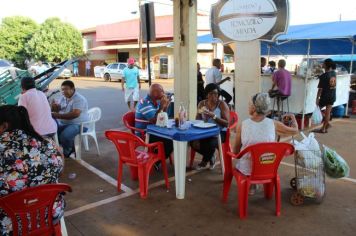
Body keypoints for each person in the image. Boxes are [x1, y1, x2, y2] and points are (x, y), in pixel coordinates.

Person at [0, 105, 64, 236]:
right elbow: (60, 168)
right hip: (50, 214)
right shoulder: (48, 143)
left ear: (4, 126)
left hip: (11, 225)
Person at [233, 93, 298, 194]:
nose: (248, 105)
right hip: (267, 168)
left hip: (246, 170)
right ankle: (257, 185)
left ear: (254, 108)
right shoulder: (274, 124)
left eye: (250, 104)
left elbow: (236, 152)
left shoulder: (242, 125)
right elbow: (295, 130)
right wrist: (293, 117)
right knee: (262, 157)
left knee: (249, 159)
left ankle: (252, 186)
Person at [192, 83, 230, 170]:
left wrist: (214, 116)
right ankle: (211, 155)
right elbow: (197, 120)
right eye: (211, 93)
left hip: (220, 132)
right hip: (205, 131)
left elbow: (227, 123)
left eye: (216, 93)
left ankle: (204, 161)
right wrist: (203, 119)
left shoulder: (222, 104)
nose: (214, 96)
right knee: (192, 142)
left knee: (210, 144)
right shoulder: (202, 104)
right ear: (207, 94)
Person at [51, 80, 89, 158]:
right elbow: (57, 110)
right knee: (52, 133)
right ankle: (70, 146)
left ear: (73, 89)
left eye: (66, 89)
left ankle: (68, 151)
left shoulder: (79, 99)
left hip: (79, 124)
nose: (64, 91)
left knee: (64, 136)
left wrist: (58, 116)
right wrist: (54, 107)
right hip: (64, 123)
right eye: (62, 89)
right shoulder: (63, 98)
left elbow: (75, 114)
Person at [135, 84, 173, 159]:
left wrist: (165, 107)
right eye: (162, 91)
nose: (164, 92)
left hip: (154, 131)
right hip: (145, 134)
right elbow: (156, 121)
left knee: (172, 138)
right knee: (170, 141)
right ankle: (155, 161)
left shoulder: (156, 102)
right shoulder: (145, 103)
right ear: (155, 93)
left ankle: (156, 158)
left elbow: (162, 118)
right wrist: (162, 106)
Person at [315, 58, 337, 133]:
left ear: (327, 65)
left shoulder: (324, 76)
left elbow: (320, 89)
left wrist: (317, 98)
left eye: (324, 63)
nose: (322, 64)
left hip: (325, 96)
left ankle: (326, 124)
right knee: (328, 112)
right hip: (332, 95)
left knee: (317, 109)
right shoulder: (334, 73)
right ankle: (324, 127)